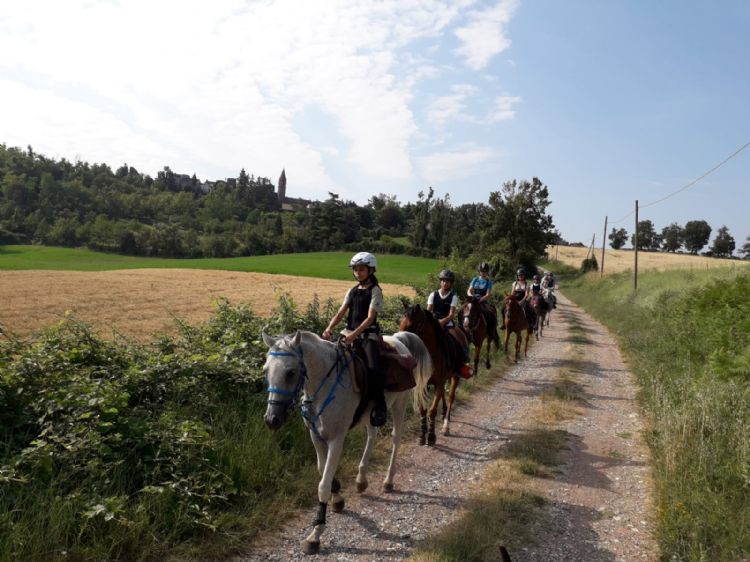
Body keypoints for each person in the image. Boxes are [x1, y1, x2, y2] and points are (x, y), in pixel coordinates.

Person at [322, 252, 387, 427]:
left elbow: (370, 318)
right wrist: (329, 328)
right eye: (355, 270)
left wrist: (354, 335)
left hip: (367, 336)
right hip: (348, 334)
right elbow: (341, 312)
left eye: (362, 269)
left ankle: (380, 406)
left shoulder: (375, 291)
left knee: (374, 369)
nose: (358, 273)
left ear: (371, 270)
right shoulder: (352, 291)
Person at [427, 269, 472, 378]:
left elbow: (451, 314)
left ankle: (461, 365)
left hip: (447, 323)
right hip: (434, 322)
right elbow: (428, 311)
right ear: (440, 281)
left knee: (457, 340)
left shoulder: (453, 296)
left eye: (447, 281)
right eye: (443, 280)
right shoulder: (433, 294)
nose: (444, 283)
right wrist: (433, 321)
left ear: (451, 283)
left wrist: (443, 321)